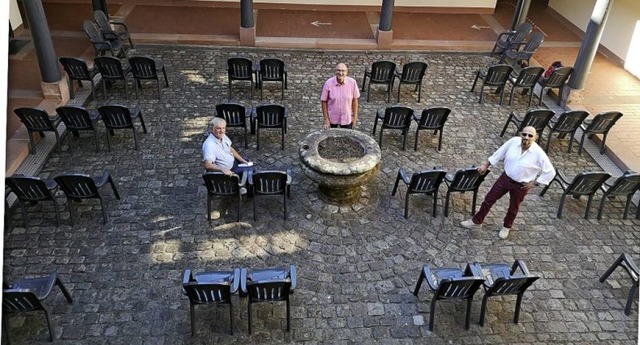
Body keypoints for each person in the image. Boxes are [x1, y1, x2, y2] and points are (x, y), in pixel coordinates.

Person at [459, 126, 555, 239]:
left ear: (535, 137)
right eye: (524, 134)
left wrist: (535, 183)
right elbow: (498, 153)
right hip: (505, 178)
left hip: (521, 186)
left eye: (530, 135)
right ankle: (477, 220)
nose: (526, 137)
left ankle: (506, 227)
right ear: (521, 134)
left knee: (513, 208)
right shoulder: (513, 142)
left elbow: (551, 172)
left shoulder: (539, 154)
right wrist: (486, 164)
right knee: (489, 199)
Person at [320, 62, 360, 129]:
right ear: (335, 72)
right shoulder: (328, 83)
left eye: (343, 71)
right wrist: (326, 119)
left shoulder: (352, 83)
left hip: (347, 117)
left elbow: (355, 101)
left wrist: (355, 118)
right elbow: (323, 101)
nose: (341, 73)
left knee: (347, 138)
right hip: (332, 117)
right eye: (338, 70)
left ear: (346, 72)